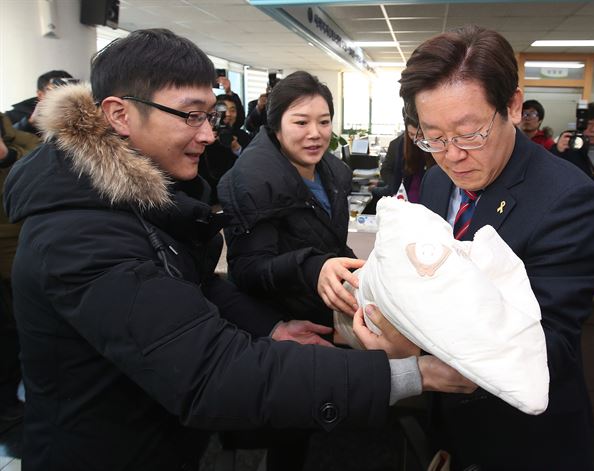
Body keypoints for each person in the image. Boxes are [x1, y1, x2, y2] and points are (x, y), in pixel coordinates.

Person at [3, 29, 474, 471]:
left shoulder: (132, 198)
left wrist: (269, 326)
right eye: (190, 115)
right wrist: (410, 376)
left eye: (209, 115)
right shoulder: (79, 234)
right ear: (119, 114)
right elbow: (212, 373)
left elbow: (191, 283)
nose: (208, 134)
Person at [357, 25, 594, 471]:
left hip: (522, 437)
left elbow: (541, 348)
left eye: (470, 132)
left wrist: (410, 354)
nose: (452, 154)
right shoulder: (438, 180)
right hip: (449, 423)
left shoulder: (570, 201)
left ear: (513, 106)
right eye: (433, 136)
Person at [218, 71, 363, 329]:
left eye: (324, 122)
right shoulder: (252, 182)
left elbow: (330, 243)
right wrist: (313, 268)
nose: (316, 133)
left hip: (327, 311)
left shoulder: (333, 173)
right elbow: (248, 270)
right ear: (276, 126)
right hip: (283, 325)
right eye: (301, 123)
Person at [0, 112, 40, 422]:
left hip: (15, 251)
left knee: (16, 331)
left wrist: (6, 157)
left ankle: (9, 399)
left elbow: (34, 168)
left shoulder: (21, 139)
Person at [370, 111, 435, 203]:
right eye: (411, 134)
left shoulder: (434, 145)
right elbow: (385, 170)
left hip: (428, 197)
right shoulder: (397, 145)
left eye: (420, 135)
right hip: (403, 196)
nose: (415, 139)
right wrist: (396, 185)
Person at [198, 94, 251, 204]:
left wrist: (237, 149)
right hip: (209, 199)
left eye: (232, 110)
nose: (228, 114)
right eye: (222, 110)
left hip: (237, 196)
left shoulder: (243, 137)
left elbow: (252, 165)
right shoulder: (201, 136)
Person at [4, 69, 75, 136]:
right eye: (55, 90)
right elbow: (5, 142)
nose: (62, 96)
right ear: (40, 95)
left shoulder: (77, 114)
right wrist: (30, 122)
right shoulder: (10, 117)